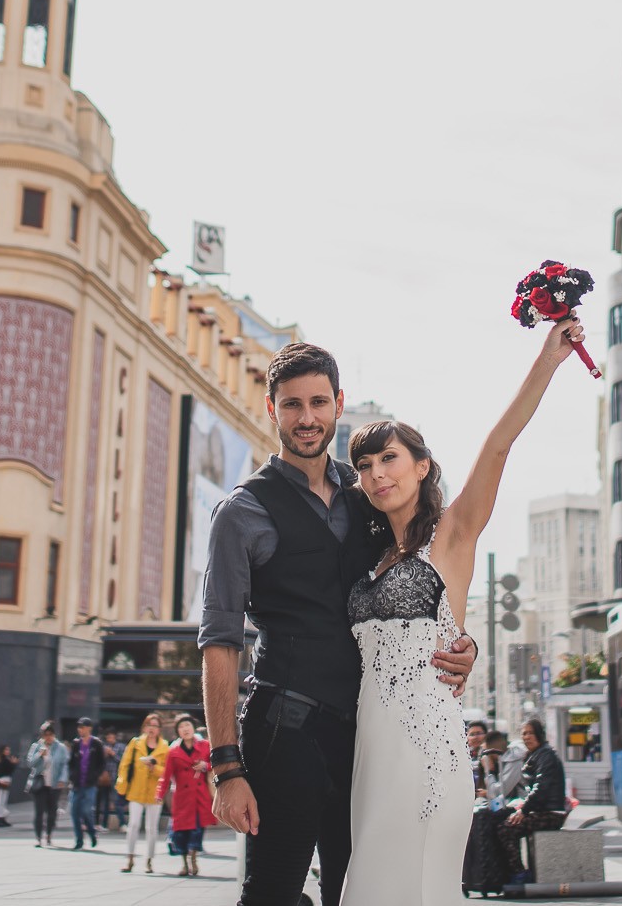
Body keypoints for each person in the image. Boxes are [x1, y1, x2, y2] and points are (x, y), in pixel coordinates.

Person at [200, 342, 478, 906]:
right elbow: (220, 642)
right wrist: (226, 766)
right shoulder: (241, 512)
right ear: (272, 408)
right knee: (272, 892)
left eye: (319, 402)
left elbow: (420, 579)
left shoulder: (368, 494)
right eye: (292, 404)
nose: (307, 417)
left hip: (367, 739)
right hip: (285, 726)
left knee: (357, 894)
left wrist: (461, 642)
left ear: (338, 404)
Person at [336, 316, 582, 905]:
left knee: (419, 887)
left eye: (389, 458)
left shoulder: (450, 535)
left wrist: (548, 359)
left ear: (421, 466)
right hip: (371, 750)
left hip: (428, 744)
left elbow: (498, 445)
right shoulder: (369, 558)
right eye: (365, 466)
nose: (376, 474)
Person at [495, 718, 568, 884]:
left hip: (551, 813)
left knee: (506, 829)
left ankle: (519, 874)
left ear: (539, 734)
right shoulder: (536, 755)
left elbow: (541, 788)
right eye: (524, 734)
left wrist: (523, 810)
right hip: (540, 810)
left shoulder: (546, 755)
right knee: (500, 819)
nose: (527, 737)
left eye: (531, 733)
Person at [116, 712, 171, 873]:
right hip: (136, 790)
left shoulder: (164, 747)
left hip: (155, 793)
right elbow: (125, 764)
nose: (151, 729)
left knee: (152, 828)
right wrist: (122, 783)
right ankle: (130, 858)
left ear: (159, 729)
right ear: (144, 727)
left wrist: (154, 768)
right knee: (133, 824)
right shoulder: (135, 743)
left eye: (155, 726)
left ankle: (149, 860)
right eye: (149, 725)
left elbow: (167, 772)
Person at [163, 714, 215, 877]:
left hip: (200, 796)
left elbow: (216, 763)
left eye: (188, 725)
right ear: (177, 731)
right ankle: (185, 864)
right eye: (181, 727)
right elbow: (166, 775)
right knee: (180, 833)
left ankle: (193, 859)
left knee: (197, 830)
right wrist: (159, 794)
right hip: (182, 798)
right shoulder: (173, 751)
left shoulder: (205, 745)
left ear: (193, 728)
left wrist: (205, 765)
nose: (185, 729)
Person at [68, 719, 107, 850]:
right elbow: (71, 762)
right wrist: (71, 775)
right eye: (79, 727)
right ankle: (79, 840)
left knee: (86, 810)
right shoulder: (76, 743)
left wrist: (95, 775)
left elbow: (102, 763)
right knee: (74, 812)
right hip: (77, 784)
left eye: (83, 727)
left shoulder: (96, 744)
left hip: (90, 784)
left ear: (89, 728)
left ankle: (92, 832)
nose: (80, 730)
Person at [27, 723, 66, 847]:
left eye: (50, 734)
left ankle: (48, 835)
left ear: (54, 735)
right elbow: (30, 763)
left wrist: (63, 779)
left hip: (54, 784)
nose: (48, 737)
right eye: (45, 735)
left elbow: (64, 765)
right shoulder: (36, 746)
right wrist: (39, 755)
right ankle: (38, 838)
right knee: (39, 812)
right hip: (40, 784)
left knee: (52, 812)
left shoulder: (60, 747)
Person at [0, 745, 16, 828]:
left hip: (5, 779)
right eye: (6, 750)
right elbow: (8, 770)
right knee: (0, 800)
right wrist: (13, 764)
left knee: (3, 800)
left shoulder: (4, 760)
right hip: (2, 780)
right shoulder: (2, 760)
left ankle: (1, 818)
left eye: (8, 750)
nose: (8, 751)